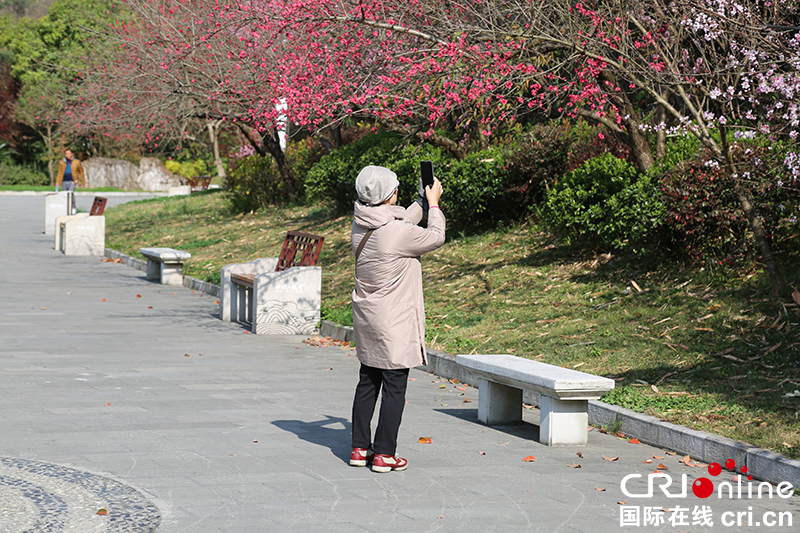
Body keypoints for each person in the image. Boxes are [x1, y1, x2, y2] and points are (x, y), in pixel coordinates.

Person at [349, 165, 445, 473]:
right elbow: (435, 237)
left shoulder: (361, 224)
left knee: (368, 381)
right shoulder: (397, 233)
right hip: (394, 321)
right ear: (391, 195)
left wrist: (419, 198)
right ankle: (385, 454)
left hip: (369, 318)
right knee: (394, 385)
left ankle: (360, 448)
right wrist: (433, 205)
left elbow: (399, 221)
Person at [55, 149, 85, 213]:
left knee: (71, 194)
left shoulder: (77, 162)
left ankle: (73, 207)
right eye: (66, 154)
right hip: (64, 181)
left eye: (69, 153)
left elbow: (81, 172)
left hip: (73, 181)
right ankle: (65, 208)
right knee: (64, 195)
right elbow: (59, 172)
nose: (67, 155)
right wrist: (57, 182)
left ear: (71, 154)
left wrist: (83, 182)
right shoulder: (62, 162)